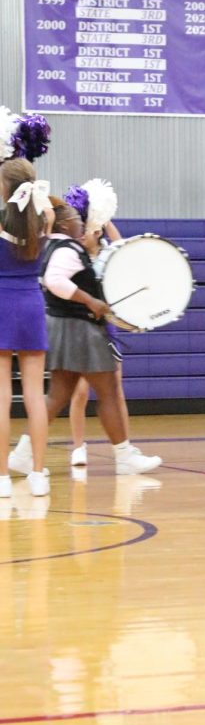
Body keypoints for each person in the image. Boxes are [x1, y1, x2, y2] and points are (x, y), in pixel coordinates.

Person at [9, 200, 161, 477]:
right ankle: (124, 457)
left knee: (57, 395)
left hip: (64, 327)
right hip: (80, 330)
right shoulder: (68, 248)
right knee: (109, 392)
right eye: (79, 220)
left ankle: (23, 454)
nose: (83, 225)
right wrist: (90, 300)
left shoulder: (49, 244)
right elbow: (56, 281)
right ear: (66, 224)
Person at [63, 180, 124, 467]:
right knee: (81, 391)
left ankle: (123, 448)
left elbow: (123, 246)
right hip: (81, 327)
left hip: (106, 329)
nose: (86, 232)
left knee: (116, 389)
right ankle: (78, 446)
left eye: (91, 227)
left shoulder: (109, 252)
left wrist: (104, 216)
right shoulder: (74, 255)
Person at [0, 159, 52, 497]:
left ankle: (2, 478)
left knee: (1, 396)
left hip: (2, 301)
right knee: (35, 395)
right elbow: (48, 204)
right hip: (32, 302)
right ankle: (36, 475)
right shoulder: (44, 219)